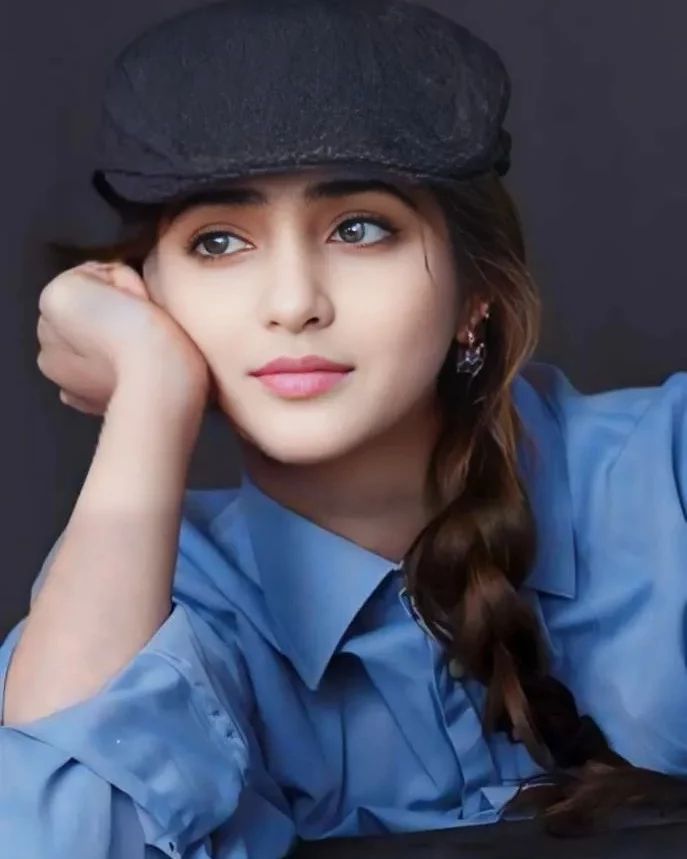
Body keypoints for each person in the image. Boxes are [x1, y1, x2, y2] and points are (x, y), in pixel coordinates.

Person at [2, 1, 687, 856]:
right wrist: (149, 392)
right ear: (146, 293)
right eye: (218, 242)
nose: (293, 303)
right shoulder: (161, 604)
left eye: (360, 228)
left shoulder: (667, 477)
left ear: (474, 294)